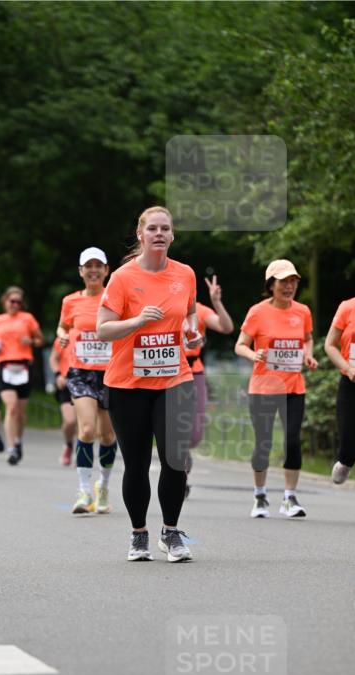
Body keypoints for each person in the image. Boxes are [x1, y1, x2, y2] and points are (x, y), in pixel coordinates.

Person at [96, 206, 202, 562]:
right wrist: (138, 321)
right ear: (140, 234)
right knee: (137, 463)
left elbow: (188, 313)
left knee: (175, 459)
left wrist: (191, 333)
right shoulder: (124, 278)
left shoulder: (185, 274)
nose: (159, 233)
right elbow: (103, 329)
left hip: (174, 378)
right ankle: (139, 534)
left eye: (165, 228)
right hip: (128, 384)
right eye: (152, 228)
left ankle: (171, 533)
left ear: (172, 236)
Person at [235, 259, 317, 518]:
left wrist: (308, 355)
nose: (289, 286)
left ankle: (289, 498)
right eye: (283, 281)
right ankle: (260, 496)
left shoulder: (302, 311)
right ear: (271, 285)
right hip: (263, 388)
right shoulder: (257, 312)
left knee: (292, 441)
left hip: (294, 387)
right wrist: (253, 355)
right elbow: (240, 345)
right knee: (264, 443)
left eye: (293, 281)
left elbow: (308, 339)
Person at [57, 247, 118, 512]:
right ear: (81, 271)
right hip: (81, 371)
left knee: (107, 435)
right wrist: (61, 335)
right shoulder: (70, 301)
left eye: (98, 265)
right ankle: (84, 491)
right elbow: (63, 325)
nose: (93, 270)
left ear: (106, 270)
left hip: (112, 372)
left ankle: (102, 486)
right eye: (88, 266)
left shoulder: (115, 298)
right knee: (86, 430)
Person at [183, 274, 235, 496]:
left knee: (193, 435)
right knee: (171, 430)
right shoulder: (163, 307)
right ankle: (179, 479)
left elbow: (226, 327)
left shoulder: (200, 311)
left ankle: (183, 456)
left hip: (194, 372)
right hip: (168, 373)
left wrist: (216, 302)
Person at [0, 286, 43, 464]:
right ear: (5, 301)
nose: (15, 304)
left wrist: (31, 341)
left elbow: (40, 339)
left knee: (20, 412)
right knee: (11, 407)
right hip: (5, 365)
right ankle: (11, 447)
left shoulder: (27, 318)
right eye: (12, 301)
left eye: (18, 302)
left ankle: (18, 440)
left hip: (23, 367)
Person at [324, 294, 355, 484]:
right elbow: (329, 345)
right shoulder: (348, 307)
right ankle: (346, 461)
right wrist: (347, 368)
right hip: (352, 382)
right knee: (348, 443)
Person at [49, 331, 75, 466]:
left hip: (89, 381)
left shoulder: (94, 334)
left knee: (86, 423)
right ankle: (68, 444)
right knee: (70, 421)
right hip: (67, 381)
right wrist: (58, 375)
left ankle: (83, 452)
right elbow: (53, 358)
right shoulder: (64, 337)